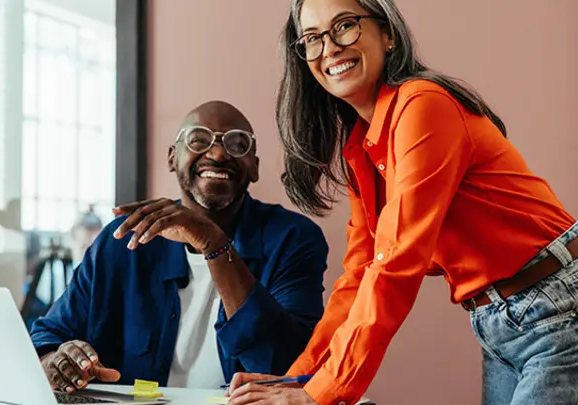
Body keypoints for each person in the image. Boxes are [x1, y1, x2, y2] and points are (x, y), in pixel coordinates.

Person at [223, 1, 578, 405]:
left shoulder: (422, 105)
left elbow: (397, 262)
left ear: (387, 35)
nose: (330, 48)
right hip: (503, 320)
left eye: (345, 25)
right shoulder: (363, 144)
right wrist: (299, 379)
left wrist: (320, 395)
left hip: (557, 308)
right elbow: (360, 275)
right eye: (312, 38)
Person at [29, 101, 329, 394]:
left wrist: (213, 243)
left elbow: (286, 366)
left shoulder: (293, 239)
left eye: (238, 144)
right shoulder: (123, 241)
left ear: (254, 168)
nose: (218, 153)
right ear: (172, 157)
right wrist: (56, 360)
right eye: (198, 140)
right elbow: (48, 337)